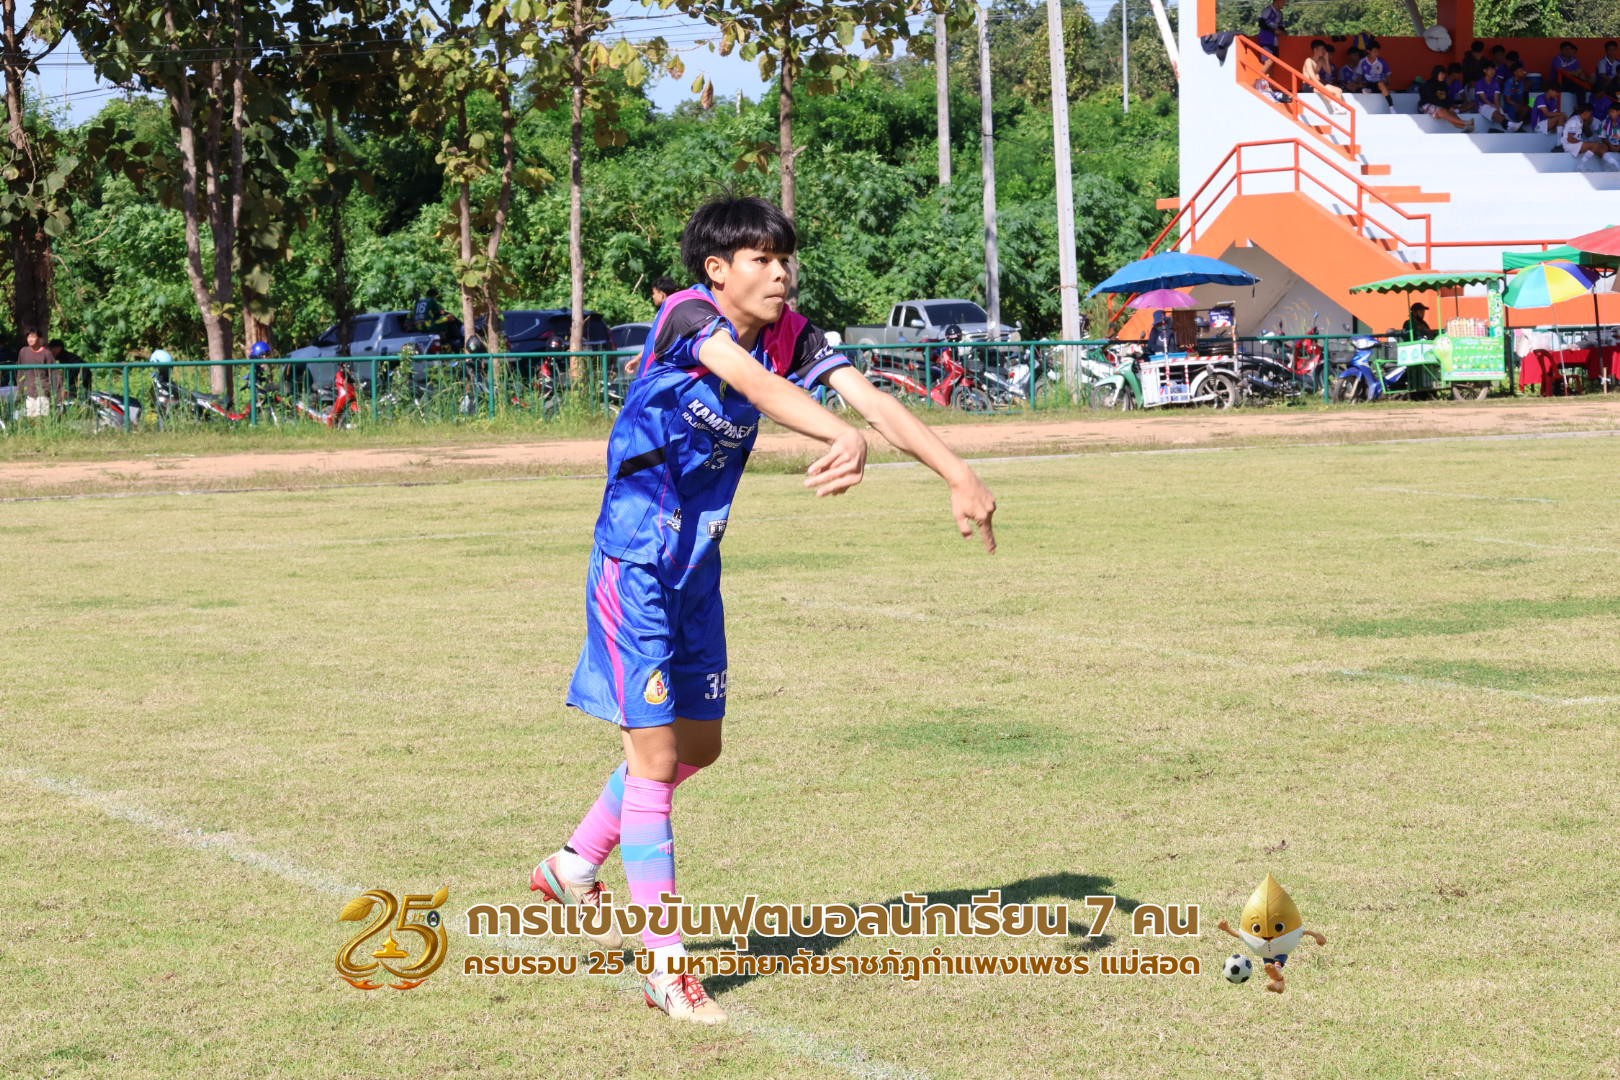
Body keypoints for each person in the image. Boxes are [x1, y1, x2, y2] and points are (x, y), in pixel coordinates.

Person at [530, 194, 997, 1025]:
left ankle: (572, 864)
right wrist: (835, 435)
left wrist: (957, 473)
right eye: (762, 260)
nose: (781, 274)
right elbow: (751, 383)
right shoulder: (687, 317)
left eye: (786, 259)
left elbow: (873, 403)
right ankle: (665, 968)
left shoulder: (795, 334)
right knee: (653, 761)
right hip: (634, 563)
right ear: (718, 270)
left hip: (696, 566)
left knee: (697, 749)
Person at [17, 328, 60, 419]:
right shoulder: (23, 352)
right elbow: (20, 370)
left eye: (33, 337)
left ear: (39, 339)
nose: (30, 339)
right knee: (30, 417)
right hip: (29, 391)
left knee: (42, 416)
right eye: (28, 337)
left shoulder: (46, 354)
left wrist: (56, 390)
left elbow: (54, 373)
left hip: (43, 390)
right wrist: (20, 386)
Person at [1419, 65, 1473, 132]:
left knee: (1452, 112)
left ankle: (1464, 127)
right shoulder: (1428, 85)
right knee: (1444, 111)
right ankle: (1466, 123)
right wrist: (1447, 107)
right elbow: (1433, 99)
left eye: (1444, 74)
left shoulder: (1444, 85)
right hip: (1427, 105)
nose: (1443, 76)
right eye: (1441, 74)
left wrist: (1450, 107)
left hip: (1440, 105)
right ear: (1436, 74)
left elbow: (1446, 99)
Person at [1562, 103, 1607, 171]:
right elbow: (1570, 139)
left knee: (1602, 147)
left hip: (1574, 144)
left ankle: (1613, 166)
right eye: (1590, 113)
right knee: (1595, 145)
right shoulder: (1574, 121)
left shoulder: (1579, 120)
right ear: (1586, 112)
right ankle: (1581, 166)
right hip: (1569, 145)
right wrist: (1582, 142)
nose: (1590, 115)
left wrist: (1584, 143)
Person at [1303, 39, 1346, 111]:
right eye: (1322, 49)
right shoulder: (1309, 61)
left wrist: (1326, 59)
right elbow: (1312, 77)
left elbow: (1329, 72)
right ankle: (1338, 107)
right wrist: (1323, 87)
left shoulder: (1321, 60)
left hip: (1318, 84)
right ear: (1315, 49)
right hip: (1309, 85)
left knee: (1338, 90)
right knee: (1324, 90)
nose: (1324, 51)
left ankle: (1338, 109)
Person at [1551, 41, 1590, 110]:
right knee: (1571, 79)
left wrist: (1585, 81)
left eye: (1569, 49)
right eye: (1565, 49)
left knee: (1581, 86)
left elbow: (1579, 72)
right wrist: (1573, 73)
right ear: (1561, 50)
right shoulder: (1557, 58)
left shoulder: (1575, 60)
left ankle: (1581, 108)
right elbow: (1561, 71)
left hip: (1571, 82)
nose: (1567, 51)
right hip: (1559, 82)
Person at [1358, 40, 1394, 110]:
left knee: (1381, 83)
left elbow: (1388, 74)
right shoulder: (1362, 61)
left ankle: (1391, 107)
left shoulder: (1382, 61)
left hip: (1379, 85)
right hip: (1367, 84)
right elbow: (1359, 75)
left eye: (1377, 51)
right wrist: (1360, 83)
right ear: (1368, 51)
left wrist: (1389, 85)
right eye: (1374, 51)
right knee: (1352, 85)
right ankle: (1368, 90)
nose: (1377, 53)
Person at [1256, 0, 1286, 76]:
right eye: (1283, 1)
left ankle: (1270, 82)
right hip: (1266, 40)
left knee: (1273, 64)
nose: (1284, 3)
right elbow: (1261, 23)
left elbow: (1280, 26)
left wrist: (1282, 31)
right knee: (1269, 62)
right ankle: (1258, 80)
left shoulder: (1280, 13)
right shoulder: (1268, 10)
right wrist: (1274, 31)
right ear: (1277, 1)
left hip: (1275, 41)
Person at [1474, 60, 1506, 131]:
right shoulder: (1480, 83)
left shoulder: (1496, 82)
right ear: (1484, 70)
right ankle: (1509, 127)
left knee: (1502, 115)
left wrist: (1498, 108)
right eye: (1490, 69)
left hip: (1493, 104)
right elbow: (1483, 99)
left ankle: (1507, 128)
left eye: (1494, 69)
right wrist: (1493, 106)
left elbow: (1496, 99)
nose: (1493, 71)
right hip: (1482, 105)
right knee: (1496, 113)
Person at [1502, 63, 1530, 132]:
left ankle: (1519, 125)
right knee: (1523, 109)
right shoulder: (1509, 82)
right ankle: (1518, 127)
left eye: (1523, 70)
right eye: (1521, 70)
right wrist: (1519, 105)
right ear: (1515, 72)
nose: (1523, 72)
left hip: (1519, 105)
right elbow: (1508, 100)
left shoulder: (1522, 82)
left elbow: (1523, 98)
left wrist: (1527, 105)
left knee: (1531, 108)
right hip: (1509, 106)